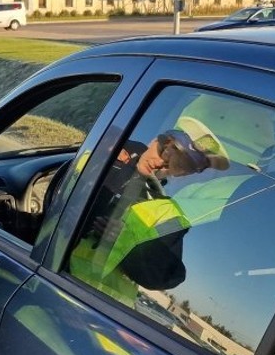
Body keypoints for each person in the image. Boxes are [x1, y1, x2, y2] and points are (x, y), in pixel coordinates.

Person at [70, 121, 229, 306]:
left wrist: (125, 243)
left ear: (182, 175)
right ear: (155, 140)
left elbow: (166, 276)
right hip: (52, 271)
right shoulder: (98, 159)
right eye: (166, 151)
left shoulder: (168, 213)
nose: (162, 163)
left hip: (99, 306)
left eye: (178, 165)